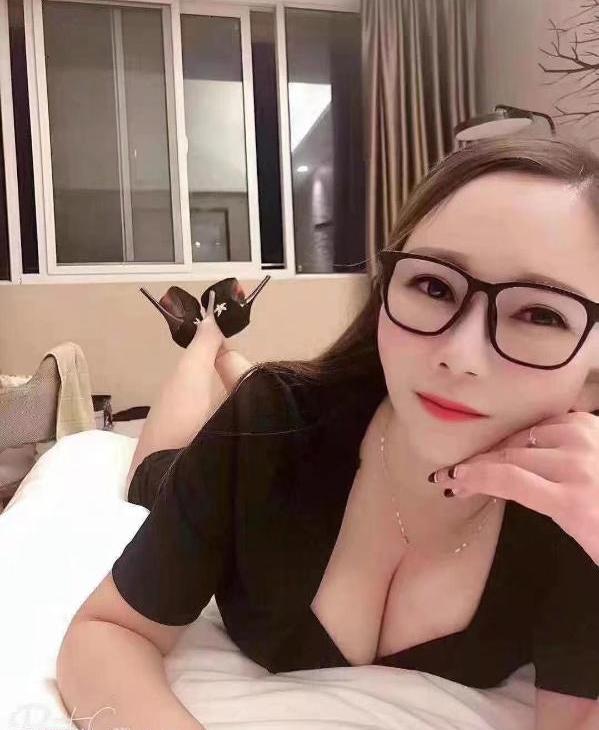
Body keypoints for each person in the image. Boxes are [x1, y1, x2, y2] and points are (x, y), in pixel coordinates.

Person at [56, 137, 599, 730]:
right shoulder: (265, 422)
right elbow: (106, 631)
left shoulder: (579, 513)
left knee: (266, 391)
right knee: (162, 462)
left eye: (541, 314)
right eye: (433, 286)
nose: (461, 355)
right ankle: (205, 339)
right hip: (232, 445)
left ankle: (224, 349)